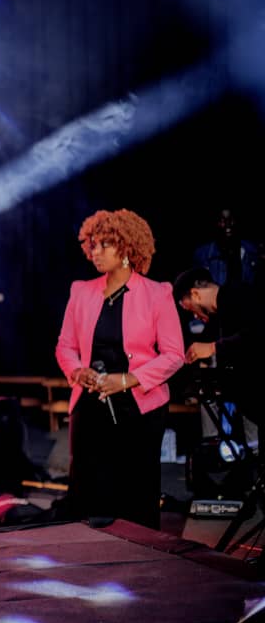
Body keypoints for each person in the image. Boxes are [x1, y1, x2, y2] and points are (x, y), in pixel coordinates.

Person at [54, 209, 184, 530]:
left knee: (136, 494)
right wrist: (78, 371)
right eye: (93, 245)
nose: (95, 252)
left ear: (126, 247)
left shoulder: (158, 293)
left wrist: (127, 379)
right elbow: (65, 346)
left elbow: (174, 355)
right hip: (90, 405)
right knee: (87, 493)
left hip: (139, 408)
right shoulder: (81, 291)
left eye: (104, 244)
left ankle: (139, 554)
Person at [173, 266, 264, 434]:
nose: (195, 316)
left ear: (196, 294)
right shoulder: (217, 320)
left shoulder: (240, 295)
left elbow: (256, 336)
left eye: (190, 308)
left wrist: (213, 348)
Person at [193, 208, 259, 288]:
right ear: (216, 223)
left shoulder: (250, 250)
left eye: (230, 219)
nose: (228, 224)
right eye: (222, 220)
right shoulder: (203, 253)